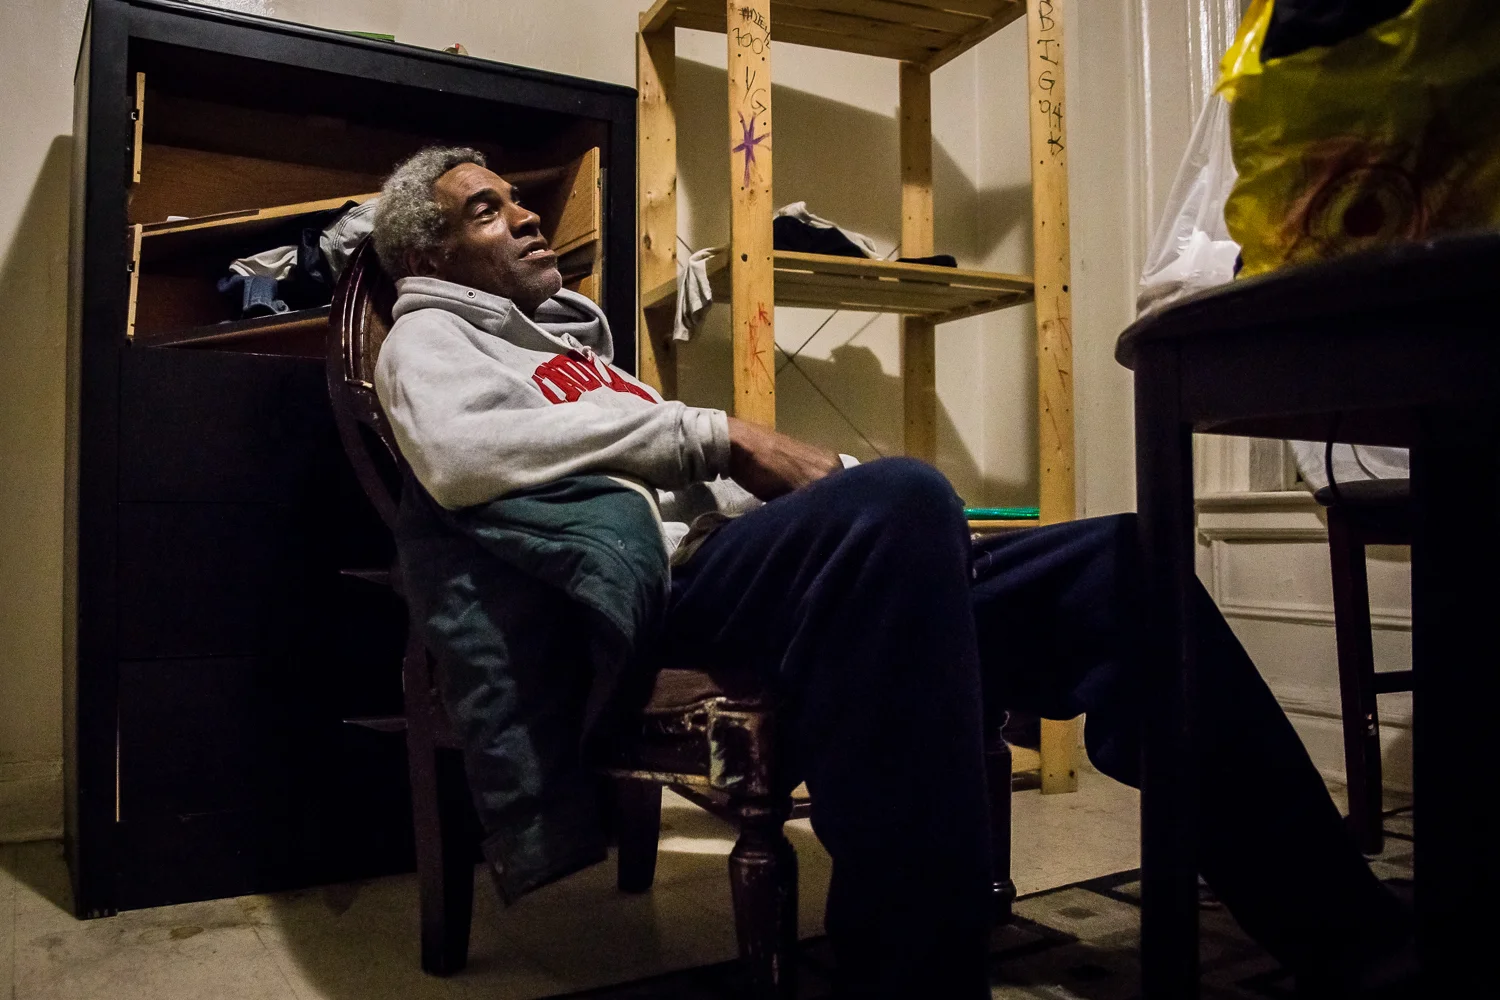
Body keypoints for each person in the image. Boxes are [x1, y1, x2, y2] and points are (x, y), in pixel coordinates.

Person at [368, 147, 1412, 998]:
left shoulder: (573, 345)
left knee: (1115, 560)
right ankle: (911, 971)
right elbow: (464, 462)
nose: (526, 216)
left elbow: (694, 472)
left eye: (516, 200)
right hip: (667, 594)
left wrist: (834, 492)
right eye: (486, 209)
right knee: (902, 501)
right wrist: (720, 433)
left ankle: (1343, 932)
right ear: (431, 251)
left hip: (743, 561)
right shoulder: (426, 340)